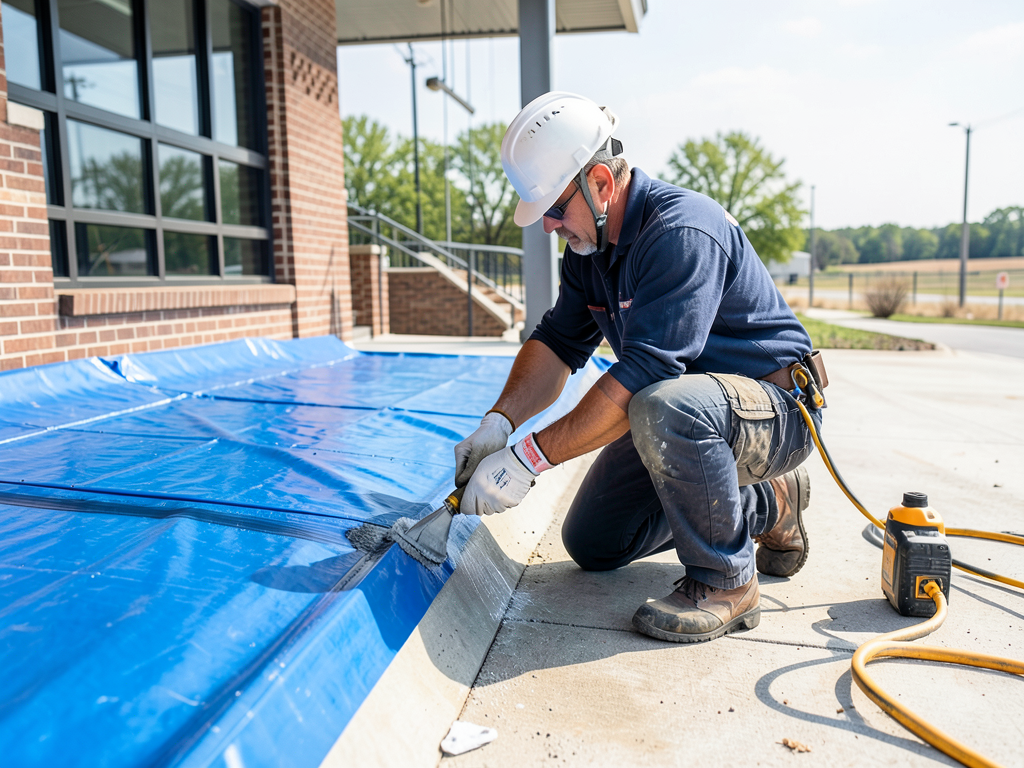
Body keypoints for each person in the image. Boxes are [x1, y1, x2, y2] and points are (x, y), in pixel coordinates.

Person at [456, 92, 825, 644]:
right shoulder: (589, 252)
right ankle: (771, 502)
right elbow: (557, 343)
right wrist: (499, 423)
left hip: (776, 413)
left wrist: (529, 459)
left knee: (658, 400)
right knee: (594, 542)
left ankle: (726, 580)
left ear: (601, 182)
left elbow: (649, 371)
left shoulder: (681, 232)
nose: (549, 226)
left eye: (556, 209)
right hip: (686, 415)